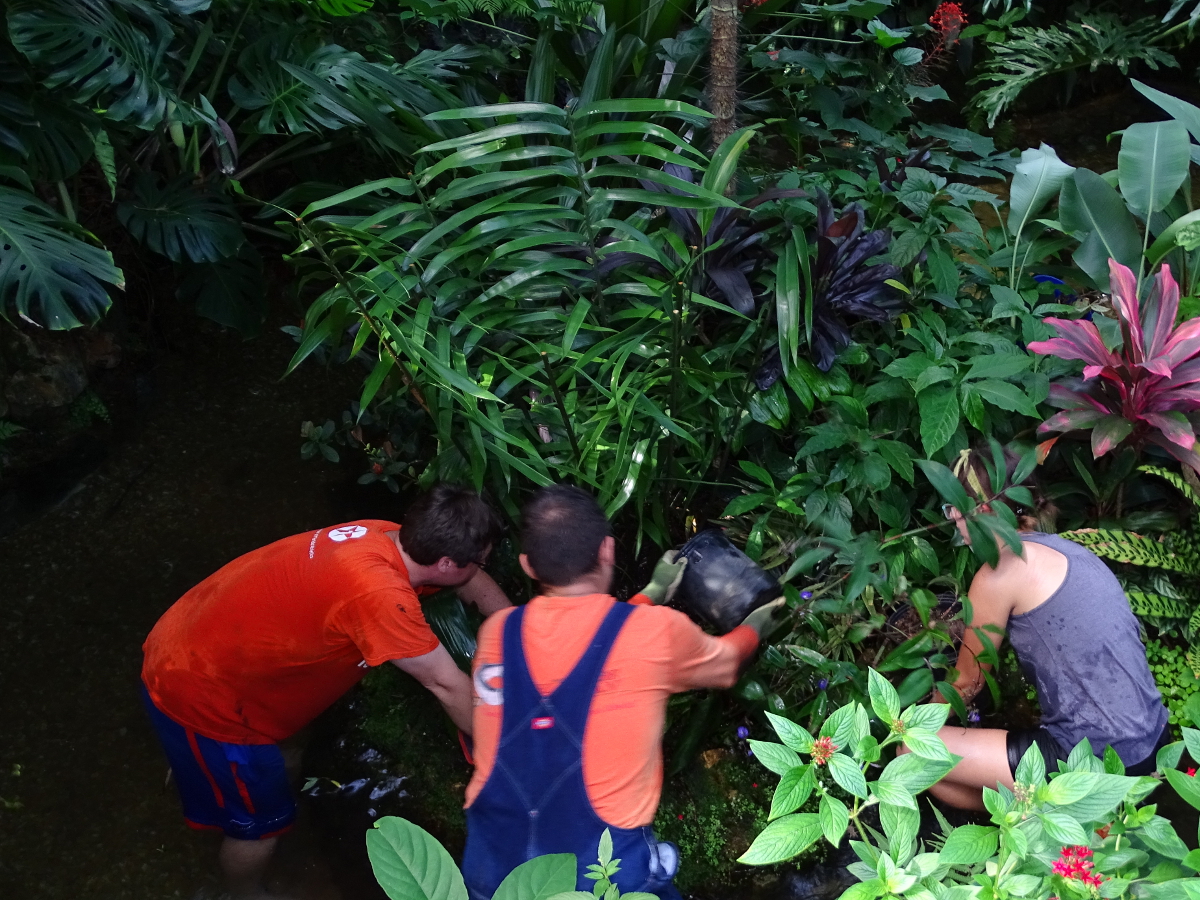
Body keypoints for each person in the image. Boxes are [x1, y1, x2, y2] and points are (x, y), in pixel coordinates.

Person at [140, 483, 509, 900]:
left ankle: (196, 766)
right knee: (261, 825)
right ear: (445, 562)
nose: (481, 568)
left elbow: (470, 582)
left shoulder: (386, 536)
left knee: (255, 763)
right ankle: (244, 891)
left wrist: (517, 628)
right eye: (479, 560)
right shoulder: (379, 595)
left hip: (192, 636)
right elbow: (445, 684)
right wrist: (509, 748)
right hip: (197, 694)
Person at [461, 485, 784, 900]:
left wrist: (653, 592)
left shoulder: (497, 632)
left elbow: (590, 643)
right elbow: (726, 665)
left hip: (494, 872)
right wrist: (757, 622)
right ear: (608, 550)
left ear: (527, 565)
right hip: (601, 874)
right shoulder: (653, 634)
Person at [922, 446, 1168, 810]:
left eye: (953, 508)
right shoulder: (1068, 550)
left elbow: (967, 683)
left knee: (913, 753)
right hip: (1154, 741)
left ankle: (1032, 819)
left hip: (1097, 761)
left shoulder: (998, 573)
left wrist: (913, 723)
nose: (952, 519)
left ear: (981, 510)